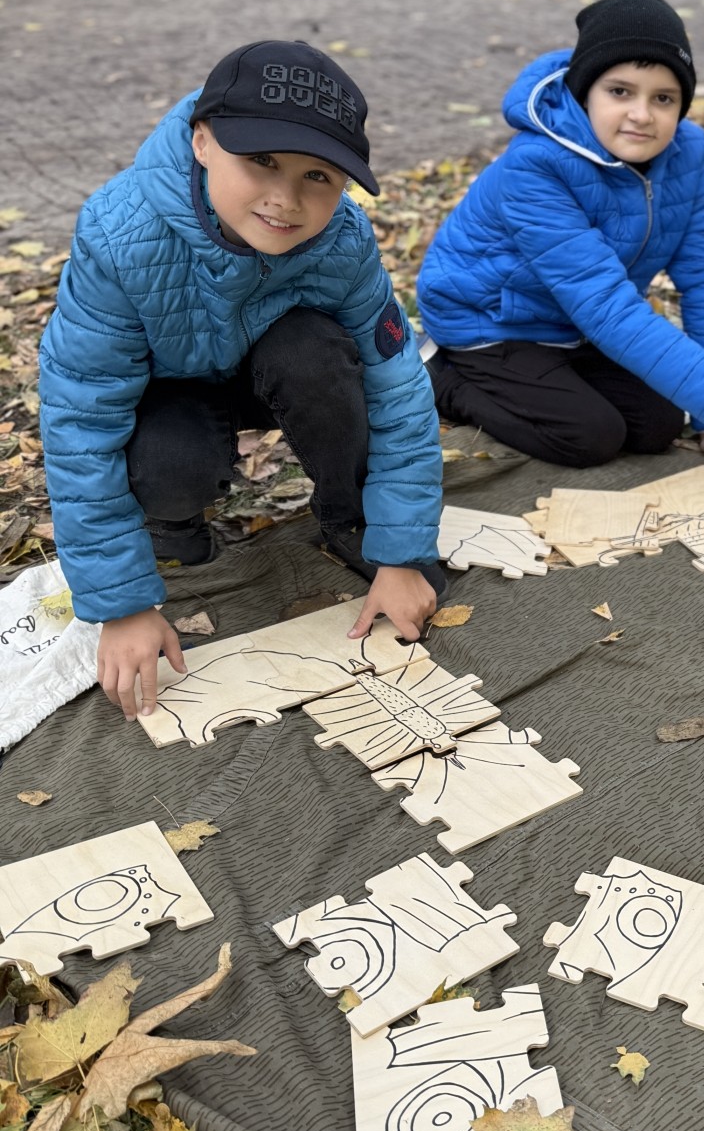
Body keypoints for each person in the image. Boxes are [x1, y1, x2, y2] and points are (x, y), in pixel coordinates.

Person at [39, 40, 445, 720]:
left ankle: (350, 519)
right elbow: (81, 417)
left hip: (270, 367)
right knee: (169, 459)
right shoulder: (117, 235)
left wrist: (403, 551)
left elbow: (397, 386)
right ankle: (170, 522)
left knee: (318, 354)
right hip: (166, 387)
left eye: (318, 176)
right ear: (202, 142)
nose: (286, 199)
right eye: (262, 161)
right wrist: (122, 604)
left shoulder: (343, 241)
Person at [418, 0, 704, 487]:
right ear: (585, 91)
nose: (642, 114)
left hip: (572, 323)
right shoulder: (535, 167)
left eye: (663, 98)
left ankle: (566, 379)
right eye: (620, 91)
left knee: (660, 424)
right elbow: (605, 304)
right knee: (589, 435)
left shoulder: (686, 152)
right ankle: (442, 379)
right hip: (490, 321)